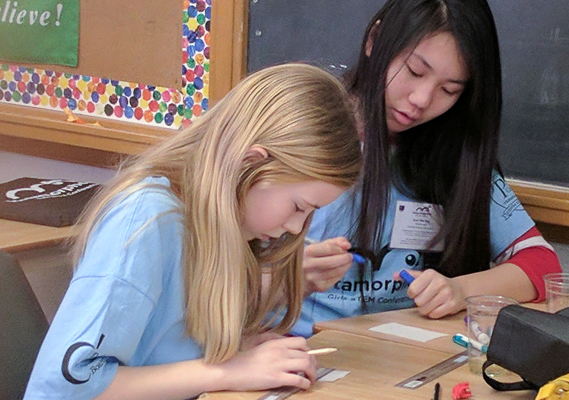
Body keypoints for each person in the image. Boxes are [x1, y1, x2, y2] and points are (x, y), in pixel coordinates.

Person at [23, 63, 363, 400]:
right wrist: (225, 371)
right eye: (299, 207)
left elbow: (161, 350)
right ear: (250, 163)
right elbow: (70, 384)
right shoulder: (147, 219)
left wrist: (236, 353)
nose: (295, 227)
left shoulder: (226, 225)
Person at [294, 0, 562, 337]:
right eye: (414, 71)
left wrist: (459, 290)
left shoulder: (452, 156)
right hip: (297, 353)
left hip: (403, 355)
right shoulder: (299, 129)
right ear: (374, 41)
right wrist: (289, 279)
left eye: (449, 90)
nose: (421, 99)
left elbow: (541, 264)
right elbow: (218, 266)